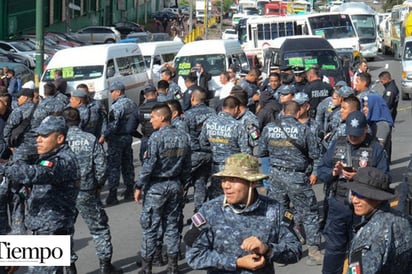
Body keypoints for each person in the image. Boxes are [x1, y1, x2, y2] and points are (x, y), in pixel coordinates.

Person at [184, 153, 302, 273]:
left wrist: (268, 250)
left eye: (234, 180)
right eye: (224, 180)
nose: (226, 185)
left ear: (252, 182)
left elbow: (295, 251)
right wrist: (236, 262)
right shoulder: (209, 211)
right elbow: (193, 256)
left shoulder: (274, 210)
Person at [0, 115, 80, 274]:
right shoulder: (48, 158)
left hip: (52, 231)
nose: (38, 140)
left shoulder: (62, 161)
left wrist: (4, 168)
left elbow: (36, 173)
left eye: (44, 136)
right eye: (38, 136)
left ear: (59, 138)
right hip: (46, 229)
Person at [318, 110, 389, 274]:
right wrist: (334, 173)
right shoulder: (338, 144)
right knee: (333, 251)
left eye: (357, 134)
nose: (353, 138)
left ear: (365, 129)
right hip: (339, 206)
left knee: (359, 254)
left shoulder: (376, 149)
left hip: (363, 210)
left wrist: (361, 176)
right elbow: (321, 170)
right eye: (350, 134)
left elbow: (385, 179)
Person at [258, 101, 323, 266]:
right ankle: (314, 251)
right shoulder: (304, 129)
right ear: (298, 111)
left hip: (275, 176)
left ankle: (282, 252)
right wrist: (313, 172)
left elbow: (262, 151)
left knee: (279, 213)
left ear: (283, 111)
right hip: (297, 177)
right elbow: (316, 154)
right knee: (309, 213)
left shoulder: (269, 128)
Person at [62, 107, 123, 274]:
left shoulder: (59, 139)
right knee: (99, 228)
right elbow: (102, 165)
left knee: (64, 230)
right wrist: (98, 185)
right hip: (87, 190)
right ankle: (105, 266)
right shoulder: (90, 139)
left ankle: (69, 267)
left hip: (65, 193)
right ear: (79, 120)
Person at [134, 103, 191, 274]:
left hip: (156, 187)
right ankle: (173, 267)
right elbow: (187, 165)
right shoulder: (183, 137)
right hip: (175, 185)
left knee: (150, 227)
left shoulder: (156, 138)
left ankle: (147, 267)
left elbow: (149, 165)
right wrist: (183, 184)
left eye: (153, 117)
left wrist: (139, 185)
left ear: (162, 117)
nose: (150, 121)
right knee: (173, 226)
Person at [345, 167, 412, 274]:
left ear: (377, 198)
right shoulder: (404, 219)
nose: (354, 200)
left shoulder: (370, 237)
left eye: (361, 195)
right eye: (353, 193)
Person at [200, 96, 251, 199]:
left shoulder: (209, 122)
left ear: (223, 108)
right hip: (233, 168)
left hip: (215, 166)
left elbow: (202, 143)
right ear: (236, 109)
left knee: (216, 198)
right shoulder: (238, 126)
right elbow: (246, 151)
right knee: (233, 197)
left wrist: (214, 150)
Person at [3, 88, 38, 235]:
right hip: (38, 153)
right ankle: (36, 224)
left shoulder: (18, 111)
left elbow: (7, 131)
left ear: (26, 97)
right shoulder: (41, 111)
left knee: (16, 190)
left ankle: (19, 226)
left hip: (21, 153)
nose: (18, 100)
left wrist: (10, 146)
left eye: (20, 97)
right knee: (35, 186)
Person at [101, 81, 136, 205]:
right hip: (128, 137)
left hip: (116, 139)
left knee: (114, 167)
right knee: (128, 164)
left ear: (118, 92)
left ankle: (112, 194)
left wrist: (104, 135)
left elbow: (113, 125)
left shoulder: (117, 106)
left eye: (112, 92)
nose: (111, 94)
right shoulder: (132, 103)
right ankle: (130, 189)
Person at [184, 87, 215, 213]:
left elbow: (184, 136)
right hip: (209, 153)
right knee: (201, 182)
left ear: (192, 99)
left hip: (193, 154)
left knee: (183, 184)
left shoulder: (188, 114)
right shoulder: (212, 112)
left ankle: (176, 214)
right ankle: (199, 212)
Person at [362, 93, 394, 162]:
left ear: (375, 107)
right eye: (364, 106)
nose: (364, 109)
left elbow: (378, 148)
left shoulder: (382, 125)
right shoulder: (371, 123)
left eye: (367, 106)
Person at [138, 84, 158, 163]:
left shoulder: (140, 109)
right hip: (163, 139)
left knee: (146, 164)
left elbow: (130, 128)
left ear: (145, 96)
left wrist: (141, 137)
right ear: (156, 93)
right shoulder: (164, 106)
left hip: (147, 139)